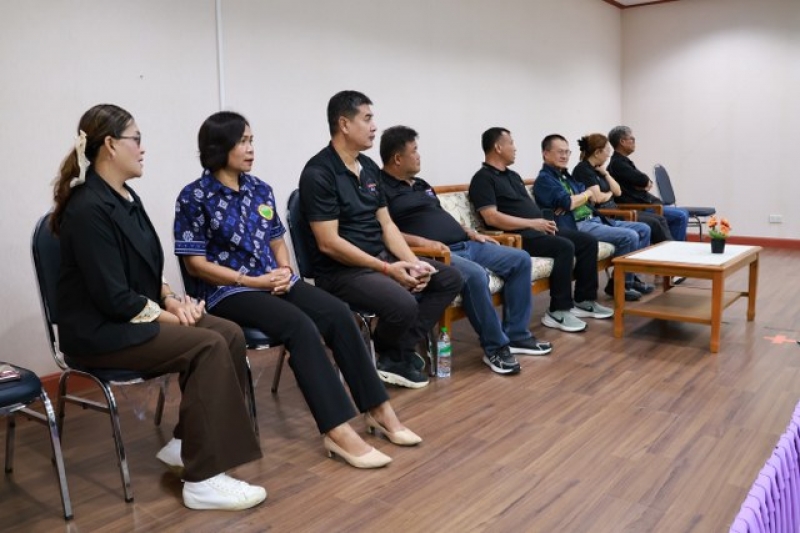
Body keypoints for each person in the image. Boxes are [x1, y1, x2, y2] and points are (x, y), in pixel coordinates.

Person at [174, 111, 420, 470]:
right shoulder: (194, 196)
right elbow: (195, 265)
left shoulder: (259, 189)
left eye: (252, 141)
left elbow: (277, 241)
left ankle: (378, 410)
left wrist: (285, 269)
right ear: (218, 147)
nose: (250, 149)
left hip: (273, 281)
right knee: (299, 325)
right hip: (228, 291)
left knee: (338, 313)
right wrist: (252, 281)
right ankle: (337, 430)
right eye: (242, 142)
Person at [51, 104, 266, 511]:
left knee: (228, 333)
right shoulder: (87, 208)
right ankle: (203, 480)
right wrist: (174, 316)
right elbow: (114, 298)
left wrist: (169, 298)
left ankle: (186, 442)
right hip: (100, 332)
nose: (143, 148)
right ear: (110, 145)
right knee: (207, 344)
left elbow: (148, 270)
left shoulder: (126, 197)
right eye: (136, 139)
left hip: (129, 317)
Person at [299, 91, 463, 389]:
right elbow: (328, 243)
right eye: (367, 119)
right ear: (344, 124)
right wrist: (388, 269)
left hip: (379, 260)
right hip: (341, 271)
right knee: (403, 303)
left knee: (449, 278)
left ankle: (393, 351)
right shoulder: (319, 173)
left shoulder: (369, 167)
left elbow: (387, 224)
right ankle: (391, 353)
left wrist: (413, 263)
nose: (375, 127)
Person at [379, 125, 552, 376]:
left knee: (520, 259)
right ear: (397, 158)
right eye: (414, 151)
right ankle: (495, 348)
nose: (419, 156)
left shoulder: (421, 184)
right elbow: (385, 230)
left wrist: (470, 232)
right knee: (475, 275)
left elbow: (440, 215)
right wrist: (423, 242)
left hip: (467, 244)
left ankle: (517, 335)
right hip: (437, 254)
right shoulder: (381, 189)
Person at [469, 128, 613, 334]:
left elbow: (528, 206)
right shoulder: (483, 179)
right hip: (517, 236)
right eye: (511, 143)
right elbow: (491, 218)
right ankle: (558, 310)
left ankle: (584, 300)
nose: (515, 148)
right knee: (564, 246)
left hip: (538, 228)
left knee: (587, 241)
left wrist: (544, 218)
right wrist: (532, 223)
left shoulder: (513, 176)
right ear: (498, 147)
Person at [532, 134, 654, 301]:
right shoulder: (545, 180)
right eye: (560, 152)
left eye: (567, 152)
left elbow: (586, 195)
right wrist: (582, 196)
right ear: (546, 154)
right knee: (629, 236)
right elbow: (572, 201)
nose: (565, 156)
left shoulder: (565, 176)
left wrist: (580, 197)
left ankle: (631, 279)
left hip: (594, 218)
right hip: (579, 224)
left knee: (644, 229)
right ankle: (621, 285)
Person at [573, 133, 672, 244]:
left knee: (659, 219)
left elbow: (618, 192)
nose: (608, 155)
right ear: (597, 153)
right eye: (607, 151)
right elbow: (598, 198)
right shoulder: (583, 170)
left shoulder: (599, 169)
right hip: (605, 214)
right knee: (653, 223)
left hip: (615, 210)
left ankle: (670, 248)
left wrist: (606, 174)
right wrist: (610, 193)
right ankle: (664, 250)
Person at [607, 125, 689, 241]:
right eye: (632, 138)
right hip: (640, 206)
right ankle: (676, 248)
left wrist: (643, 183)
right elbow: (643, 180)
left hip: (647, 204)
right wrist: (643, 184)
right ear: (622, 142)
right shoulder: (618, 163)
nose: (634, 141)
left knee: (682, 213)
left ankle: (674, 245)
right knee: (681, 215)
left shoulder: (623, 161)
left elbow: (645, 181)